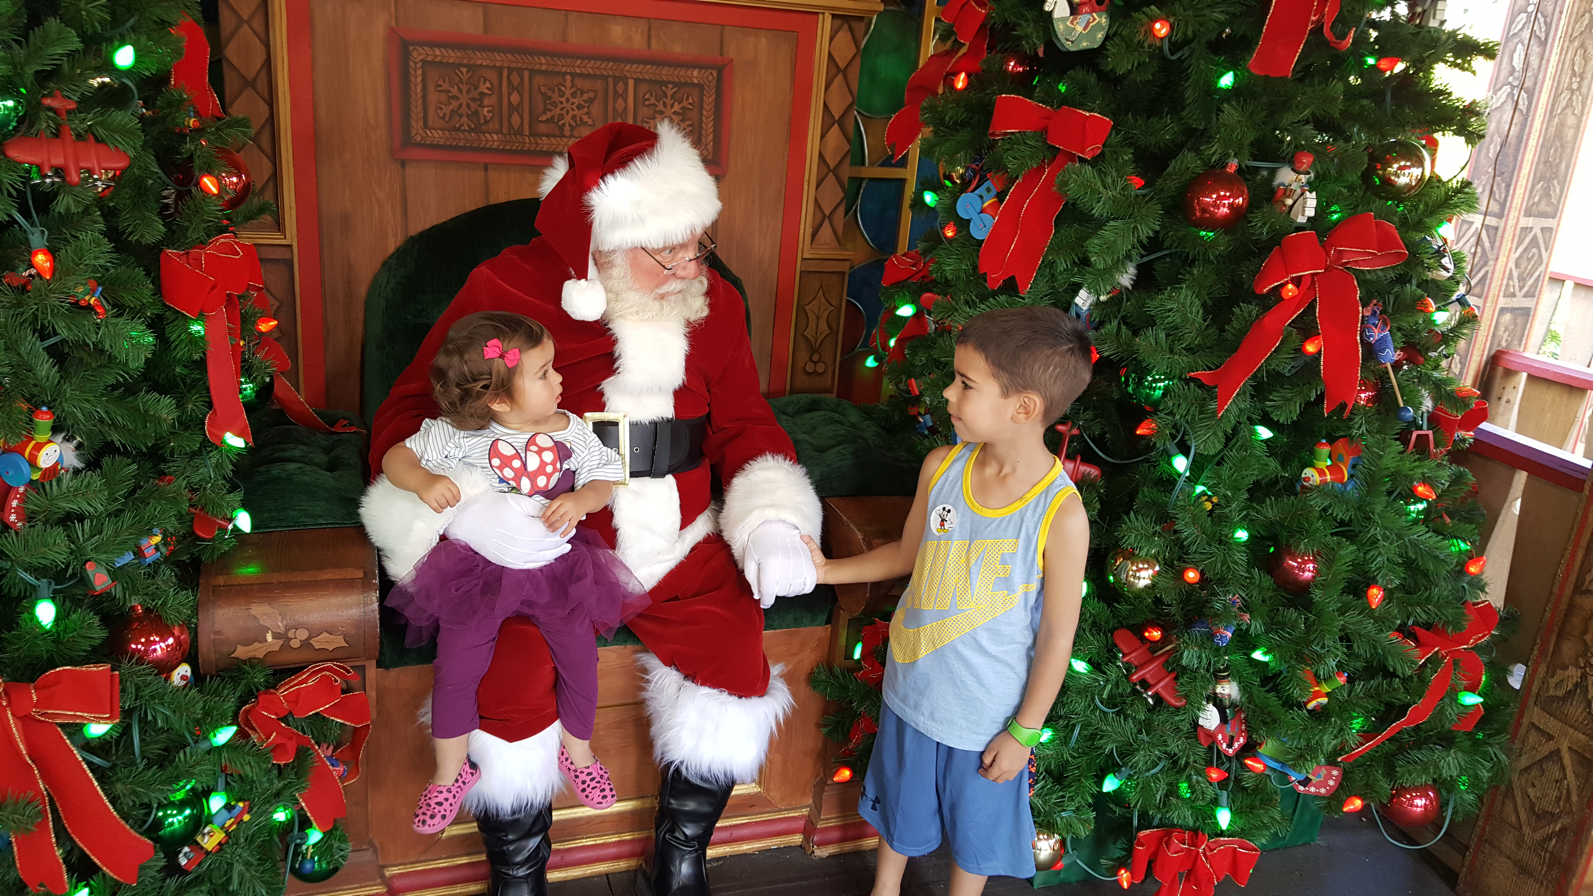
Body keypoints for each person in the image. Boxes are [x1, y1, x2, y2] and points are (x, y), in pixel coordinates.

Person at [363, 121, 821, 896]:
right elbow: (414, 407)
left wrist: (772, 517)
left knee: (734, 649)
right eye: (666, 251)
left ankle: (678, 861)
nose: (690, 268)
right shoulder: (506, 288)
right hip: (548, 546)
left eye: (699, 245)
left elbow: (744, 419)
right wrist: (461, 512)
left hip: (679, 535)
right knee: (507, 677)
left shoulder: (713, 302)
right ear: (601, 244)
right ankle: (518, 875)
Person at [802, 306, 1092, 896]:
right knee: (900, 813)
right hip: (910, 693)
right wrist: (827, 570)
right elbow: (909, 553)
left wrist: (1024, 733)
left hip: (985, 720)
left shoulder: (1060, 515)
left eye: (966, 384)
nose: (947, 394)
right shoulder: (942, 467)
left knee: (975, 832)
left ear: (1023, 408)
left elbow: (1057, 636)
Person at [375, 311, 650, 833]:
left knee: (580, 661)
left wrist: (580, 500)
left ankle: (578, 752)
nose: (560, 380)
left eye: (553, 368)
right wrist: (423, 482)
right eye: (544, 373)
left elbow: (604, 477)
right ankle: (450, 772)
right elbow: (396, 459)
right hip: (479, 574)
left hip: (557, 570)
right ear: (499, 400)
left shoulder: (572, 430)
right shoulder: (459, 435)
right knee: (457, 668)